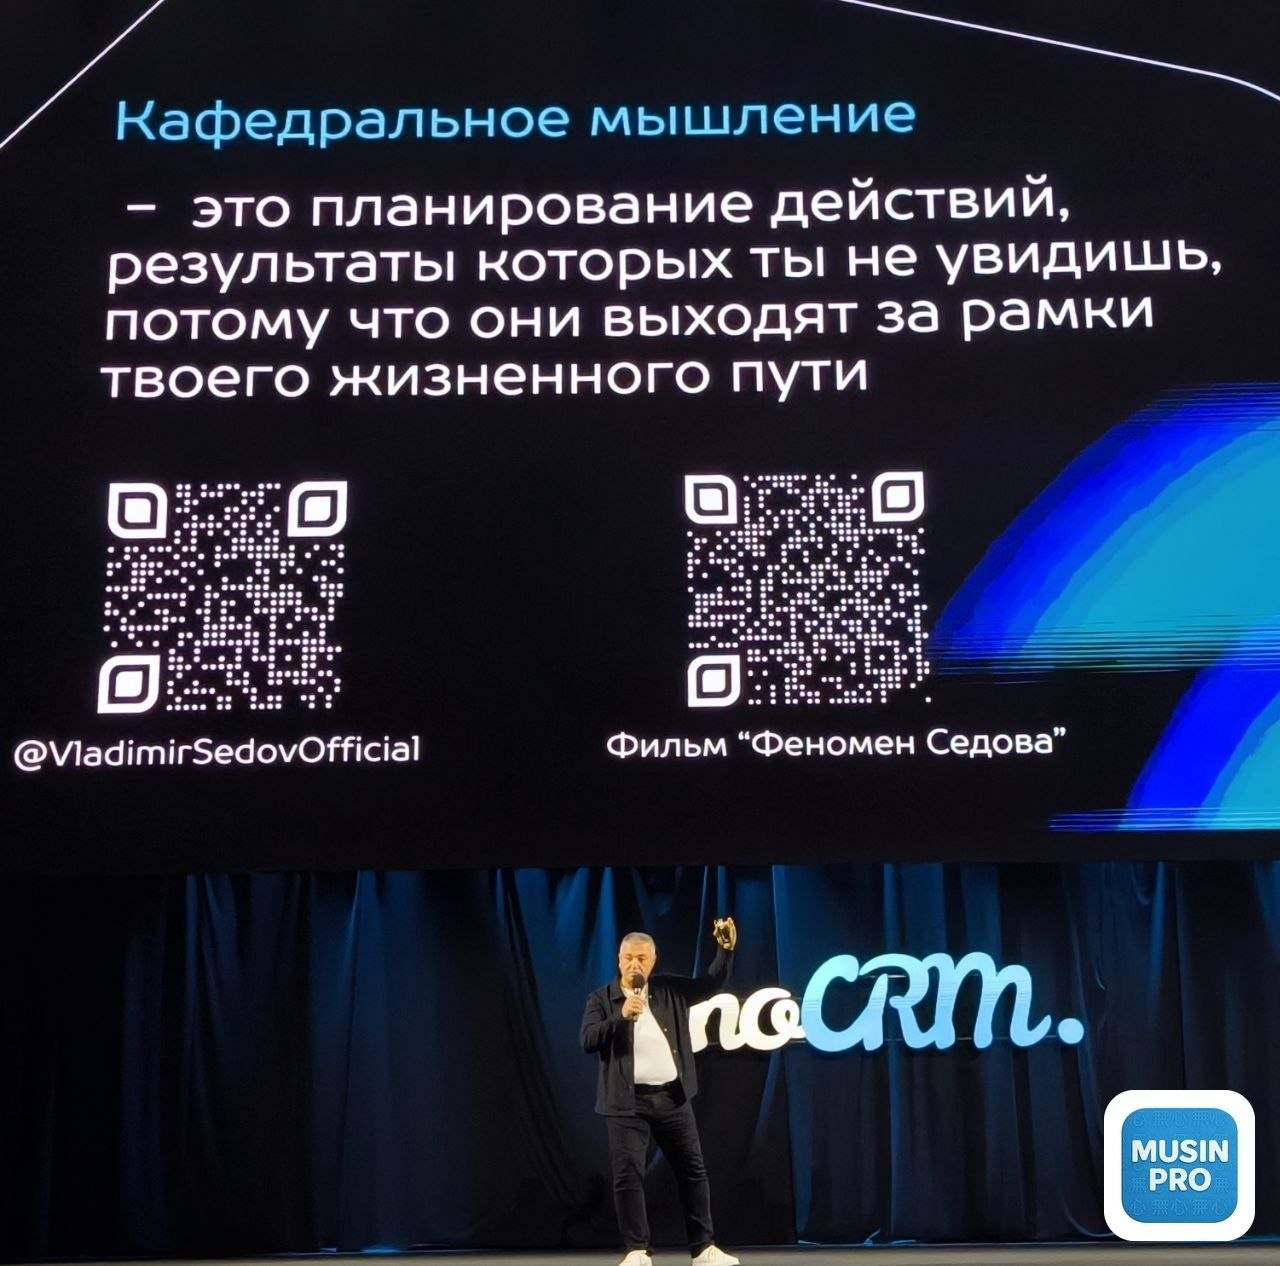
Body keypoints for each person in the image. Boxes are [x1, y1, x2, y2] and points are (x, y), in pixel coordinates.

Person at [580, 918, 741, 1266]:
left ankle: (704, 1249)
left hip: (672, 1098)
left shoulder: (668, 989)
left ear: (653, 961)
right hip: (626, 1103)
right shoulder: (601, 999)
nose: (634, 965)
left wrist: (724, 951)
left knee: (693, 1171)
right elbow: (588, 1039)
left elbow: (711, 983)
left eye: (642, 958)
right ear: (618, 960)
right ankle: (637, 1250)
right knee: (628, 1175)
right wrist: (621, 1016)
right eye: (628, 958)